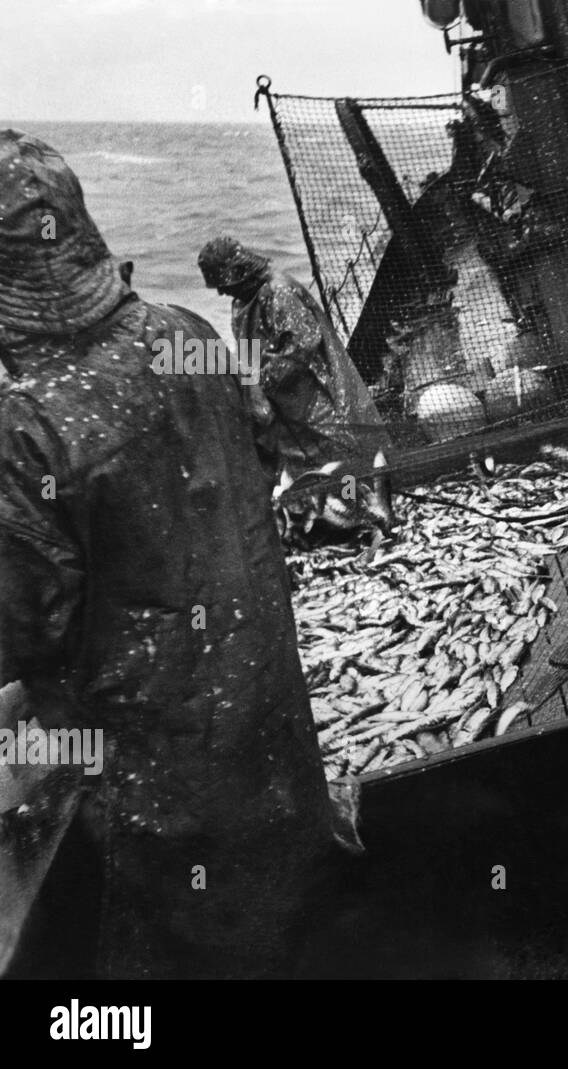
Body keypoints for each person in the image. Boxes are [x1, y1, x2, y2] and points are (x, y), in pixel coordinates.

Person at [0, 130, 336, 978]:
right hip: (271, 737)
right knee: (281, 927)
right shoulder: (189, 333)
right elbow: (252, 464)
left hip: (155, 801)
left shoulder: (27, 428)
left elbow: (29, 634)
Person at [198, 236, 390, 480]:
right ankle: (327, 498)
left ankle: (355, 498)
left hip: (314, 393)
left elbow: (301, 346)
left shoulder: (279, 291)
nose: (220, 292)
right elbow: (247, 354)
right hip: (283, 401)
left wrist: (260, 383)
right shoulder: (241, 303)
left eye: (222, 283)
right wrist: (248, 389)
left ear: (238, 271)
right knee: (304, 464)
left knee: (341, 455)